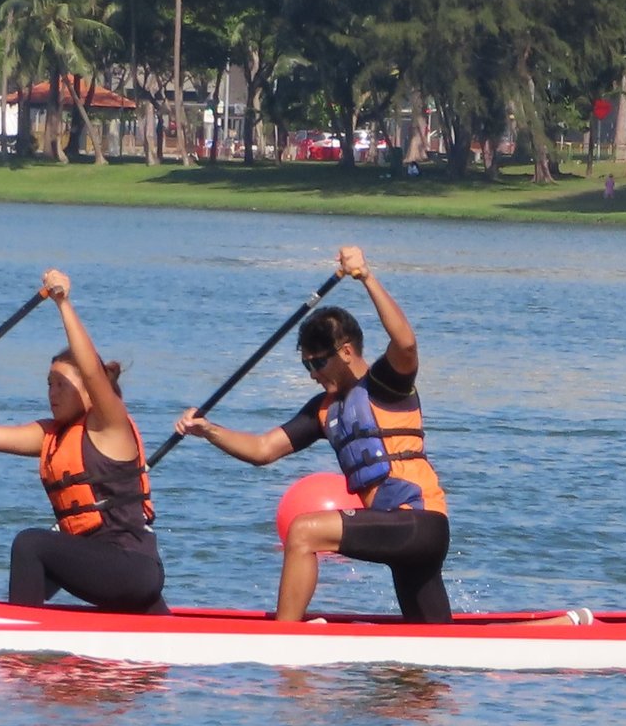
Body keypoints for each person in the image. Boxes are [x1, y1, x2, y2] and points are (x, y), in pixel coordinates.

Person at [175, 246, 451, 623]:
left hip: (418, 523)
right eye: (306, 364)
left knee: (303, 531)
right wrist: (208, 430)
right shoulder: (323, 410)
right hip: (395, 530)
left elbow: (405, 344)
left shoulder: (386, 383)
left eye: (318, 362)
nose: (312, 373)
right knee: (432, 643)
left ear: (348, 351)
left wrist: (366, 277)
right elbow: (262, 450)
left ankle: (283, 640)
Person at [0, 268, 168, 613]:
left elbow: (90, 369)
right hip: (108, 570)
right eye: (49, 384)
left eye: (62, 384)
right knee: (46, 557)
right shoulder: (50, 437)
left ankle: (19, 642)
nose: (53, 393)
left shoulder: (109, 426)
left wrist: (63, 303)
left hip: (131, 568)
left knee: (31, 545)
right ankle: (21, 620)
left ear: (90, 392)